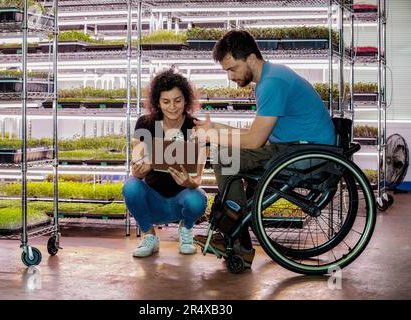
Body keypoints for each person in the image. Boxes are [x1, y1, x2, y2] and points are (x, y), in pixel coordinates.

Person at [193, 30, 335, 269]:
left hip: (307, 155)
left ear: (250, 58)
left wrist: (213, 136)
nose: (230, 77)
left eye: (232, 69)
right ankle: (234, 231)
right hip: (296, 147)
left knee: (224, 157)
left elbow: (254, 142)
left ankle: (237, 241)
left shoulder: (272, 84)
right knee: (227, 154)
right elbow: (256, 136)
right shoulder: (269, 78)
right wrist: (215, 127)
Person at [123, 68, 208, 258]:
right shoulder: (144, 124)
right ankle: (149, 235)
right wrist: (142, 169)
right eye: (166, 101)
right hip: (154, 200)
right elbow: (135, 172)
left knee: (197, 199)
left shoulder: (196, 127)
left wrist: (189, 182)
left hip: (182, 199)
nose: (172, 107)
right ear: (157, 103)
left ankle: (186, 229)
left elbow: (197, 180)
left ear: (186, 100)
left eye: (178, 101)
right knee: (131, 187)